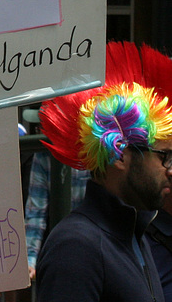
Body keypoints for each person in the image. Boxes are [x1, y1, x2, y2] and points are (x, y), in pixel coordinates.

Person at [35, 48, 172, 302]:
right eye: (163, 156)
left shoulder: (134, 234)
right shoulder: (76, 247)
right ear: (120, 154)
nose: (170, 170)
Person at [24, 151, 89, 282]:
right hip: (61, 249)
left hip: (93, 245)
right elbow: (36, 213)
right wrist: (30, 260)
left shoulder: (96, 142)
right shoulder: (43, 155)